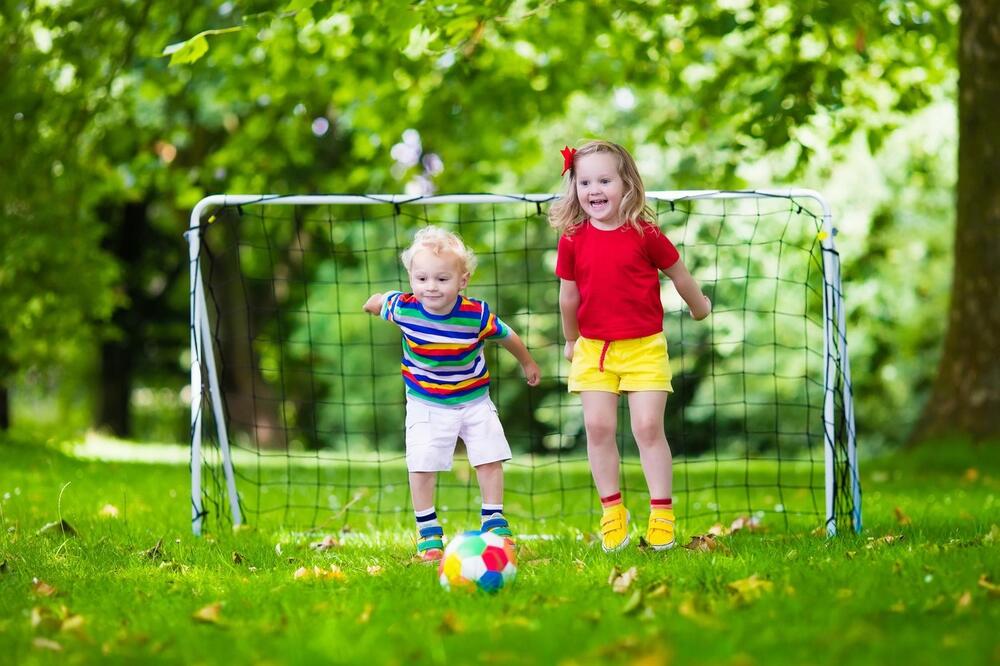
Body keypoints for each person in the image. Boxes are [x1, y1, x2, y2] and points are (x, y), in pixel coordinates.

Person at [550, 140, 712, 552]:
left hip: (644, 348)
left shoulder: (645, 234)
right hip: (595, 349)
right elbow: (568, 297)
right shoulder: (572, 238)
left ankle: (661, 514)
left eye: (604, 180)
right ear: (575, 188)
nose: (594, 190)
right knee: (598, 428)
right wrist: (570, 340)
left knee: (647, 428)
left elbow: (680, 274)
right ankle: (612, 511)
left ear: (627, 185)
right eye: (585, 181)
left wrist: (700, 307)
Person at [363, 226, 541, 561]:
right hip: (426, 403)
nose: (431, 287)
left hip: (474, 400)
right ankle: (428, 533)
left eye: (442, 279)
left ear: (462, 281)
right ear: (411, 278)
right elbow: (378, 301)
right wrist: (370, 304)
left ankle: (494, 521)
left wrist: (528, 362)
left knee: (489, 457)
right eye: (422, 278)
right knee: (422, 464)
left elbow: (507, 335)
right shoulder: (403, 307)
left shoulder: (476, 314)